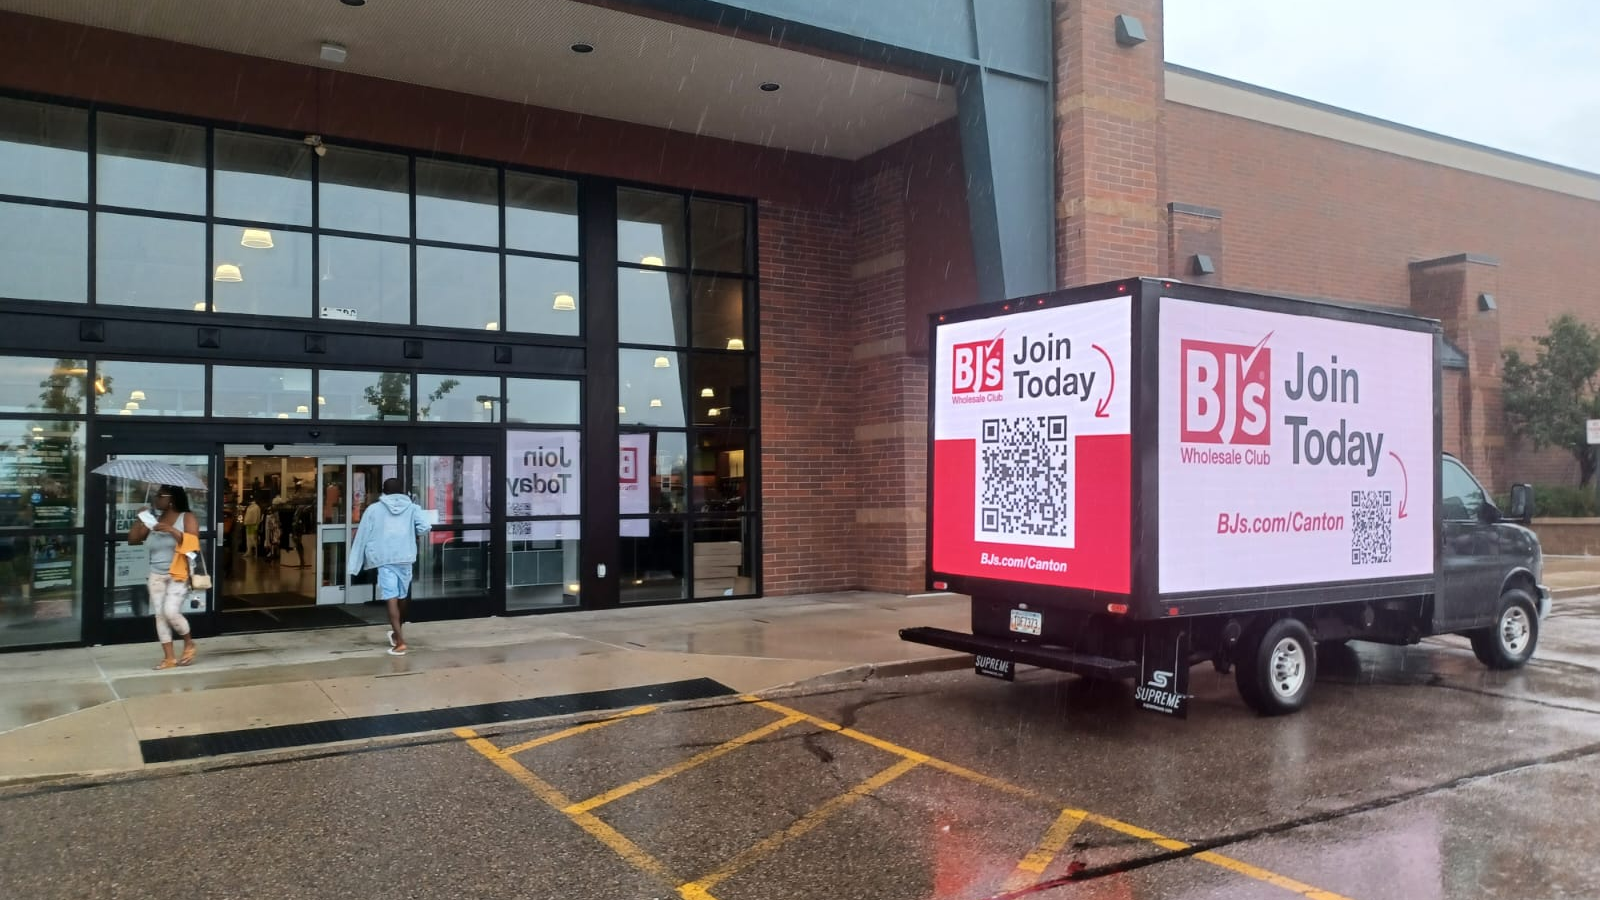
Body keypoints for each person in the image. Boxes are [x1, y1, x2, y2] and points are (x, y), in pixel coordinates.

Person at [347, 477, 431, 655]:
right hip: (406, 556)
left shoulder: (373, 509)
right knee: (402, 594)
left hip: (384, 558)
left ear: (383, 491)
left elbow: (361, 535)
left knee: (390, 596)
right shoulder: (412, 508)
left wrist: (354, 564)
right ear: (402, 491)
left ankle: (400, 642)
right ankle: (396, 633)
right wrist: (412, 533)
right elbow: (425, 527)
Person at [127, 485, 200, 670]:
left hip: (178, 572)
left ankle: (189, 642)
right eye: (155, 495)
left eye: (160, 496)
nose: (156, 499)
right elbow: (133, 540)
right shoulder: (154, 520)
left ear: (172, 499)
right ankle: (169, 658)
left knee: (170, 612)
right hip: (156, 574)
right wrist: (140, 519)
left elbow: (192, 544)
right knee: (160, 616)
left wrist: (171, 530)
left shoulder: (187, 517)